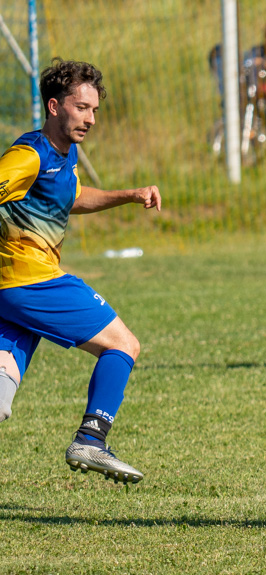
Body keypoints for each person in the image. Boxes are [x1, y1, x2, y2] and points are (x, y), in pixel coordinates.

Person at [0, 59, 162, 484]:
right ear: (54, 106)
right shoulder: (29, 155)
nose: (90, 119)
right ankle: (92, 438)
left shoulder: (63, 153)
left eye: (94, 110)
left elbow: (68, 195)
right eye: (81, 108)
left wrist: (129, 194)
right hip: (30, 280)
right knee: (123, 345)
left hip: (11, 293)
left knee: (0, 393)